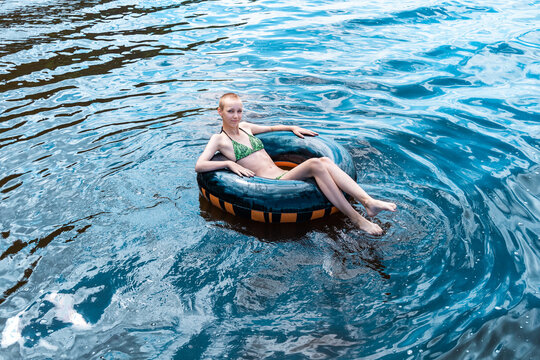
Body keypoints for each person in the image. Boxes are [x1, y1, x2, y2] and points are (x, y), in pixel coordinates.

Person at [195, 93, 397, 235]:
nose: (236, 116)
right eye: (231, 111)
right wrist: (229, 165)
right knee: (316, 165)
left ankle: (368, 202)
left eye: (239, 111)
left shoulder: (246, 127)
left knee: (325, 160)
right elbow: (200, 165)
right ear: (220, 111)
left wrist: (292, 127)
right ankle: (357, 219)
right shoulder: (219, 140)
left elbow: (272, 128)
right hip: (272, 181)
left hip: (282, 173)